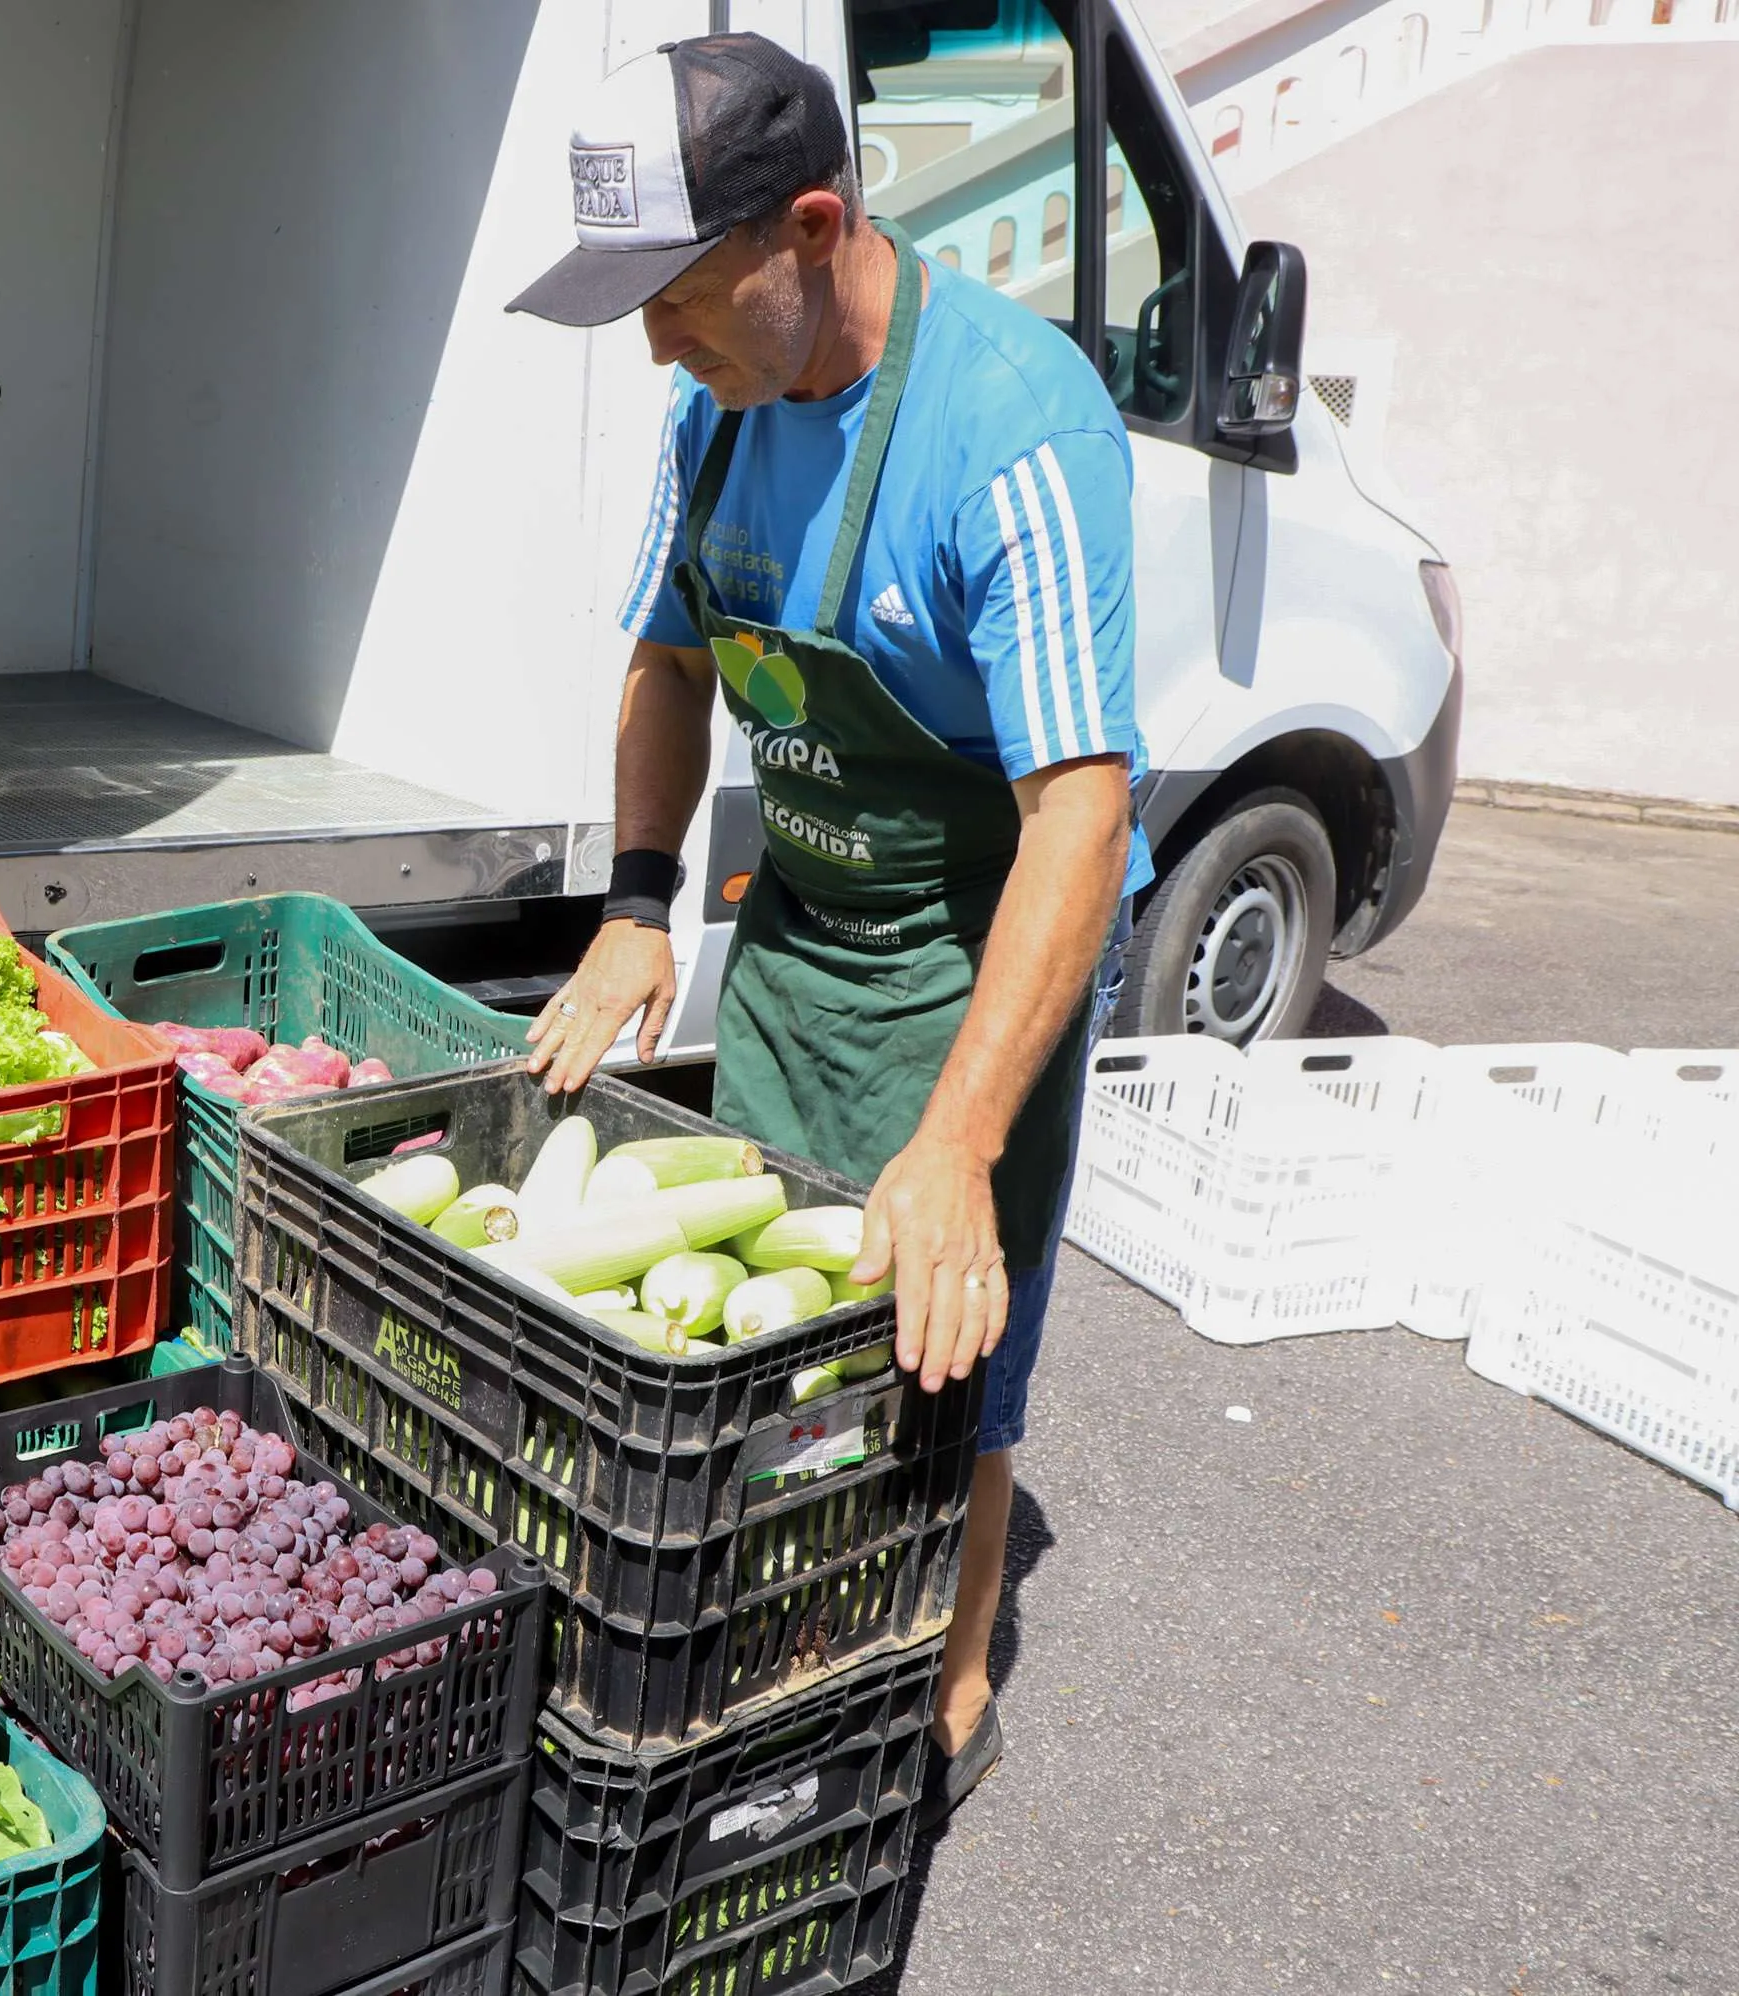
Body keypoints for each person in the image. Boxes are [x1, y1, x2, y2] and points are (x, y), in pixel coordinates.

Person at [506, 33, 1149, 1819]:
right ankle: (777, 1624)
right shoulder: (717, 409)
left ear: (811, 226)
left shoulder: (1012, 431)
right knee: (769, 1325)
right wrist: (640, 910)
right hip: (802, 927)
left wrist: (957, 1141)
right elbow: (667, 656)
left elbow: (1077, 814)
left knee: (947, 1335)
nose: (657, 345)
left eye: (684, 299)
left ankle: (937, 1692)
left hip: (973, 945)